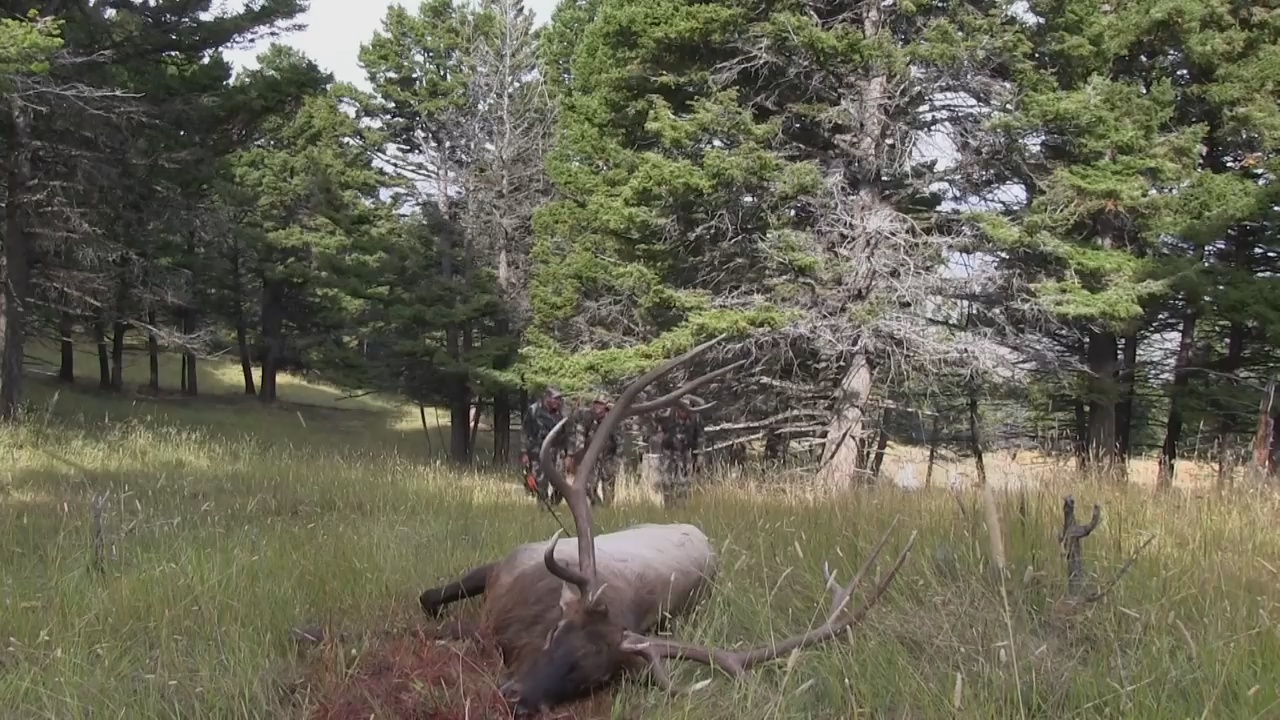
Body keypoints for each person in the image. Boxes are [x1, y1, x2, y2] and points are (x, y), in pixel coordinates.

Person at [565, 394, 622, 506]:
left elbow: (620, 442)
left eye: (600, 404)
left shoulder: (613, 420)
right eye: (595, 403)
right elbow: (580, 436)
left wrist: (617, 461)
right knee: (588, 486)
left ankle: (606, 510)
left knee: (608, 487)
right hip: (591, 458)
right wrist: (577, 456)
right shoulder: (587, 417)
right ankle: (597, 505)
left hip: (608, 458)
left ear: (606, 406)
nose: (596, 407)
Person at [521, 387, 567, 505]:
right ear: (547, 398)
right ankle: (543, 509)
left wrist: (568, 454)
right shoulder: (534, 410)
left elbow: (568, 433)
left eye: (559, 399)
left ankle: (553, 504)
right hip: (538, 452)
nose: (557, 402)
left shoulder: (563, 412)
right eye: (555, 399)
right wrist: (524, 452)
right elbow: (525, 432)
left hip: (557, 452)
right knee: (541, 484)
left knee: (561, 484)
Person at [657, 401, 704, 508]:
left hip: (685, 454)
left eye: (686, 409)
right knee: (666, 481)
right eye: (681, 409)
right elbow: (656, 418)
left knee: (683, 483)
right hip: (668, 453)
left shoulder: (695, 418)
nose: (683, 412)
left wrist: (699, 455)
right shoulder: (668, 414)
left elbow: (700, 436)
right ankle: (668, 507)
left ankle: (681, 508)